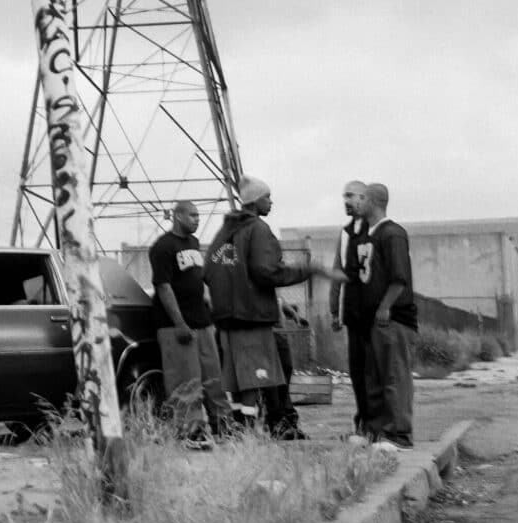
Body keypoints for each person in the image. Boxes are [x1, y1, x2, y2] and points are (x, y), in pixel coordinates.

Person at [204, 175, 346, 437]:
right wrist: (311, 269)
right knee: (256, 377)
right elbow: (266, 272)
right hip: (252, 319)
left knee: (238, 381)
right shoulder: (257, 230)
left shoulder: (224, 233)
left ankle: (241, 430)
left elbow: (211, 272)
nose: (271, 202)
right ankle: (253, 431)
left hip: (226, 320)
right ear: (256, 201)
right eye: (267, 197)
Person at [149, 199, 233, 448]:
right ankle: (191, 432)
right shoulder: (163, 247)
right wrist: (179, 323)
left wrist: (209, 311)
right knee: (186, 382)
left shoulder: (194, 244)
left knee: (213, 378)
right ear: (178, 217)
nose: (197, 219)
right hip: (177, 326)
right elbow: (163, 287)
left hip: (202, 322)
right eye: (193, 215)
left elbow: (197, 281)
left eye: (198, 215)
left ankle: (223, 426)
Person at [355, 182, 418, 448]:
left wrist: (385, 306)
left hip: (393, 319)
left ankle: (399, 433)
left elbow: (399, 277)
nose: (357, 203)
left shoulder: (392, 233)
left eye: (361, 198)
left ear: (373, 201)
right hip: (372, 322)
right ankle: (376, 431)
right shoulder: (367, 235)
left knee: (395, 376)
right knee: (374, 378)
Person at [328, 179, 370, 435]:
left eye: (352, 196)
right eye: (344, 196)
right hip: (353, 313)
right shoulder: (345, 233)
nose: (347, 201)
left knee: (374, 371)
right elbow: (337, 270)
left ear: (365, 198)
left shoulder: (377, 230)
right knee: (357, 370)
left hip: (374, 313)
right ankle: (363, 421)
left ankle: (377, 423)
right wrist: (335, 310)